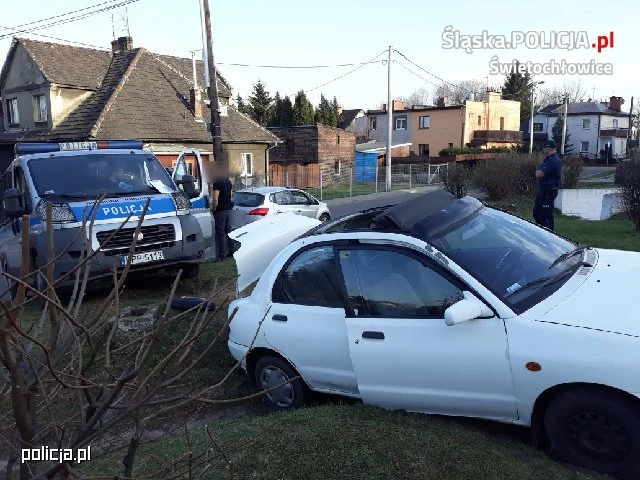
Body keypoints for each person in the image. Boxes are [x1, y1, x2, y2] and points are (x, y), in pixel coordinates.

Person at [534, 139, 562, 231]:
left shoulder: (554, 160)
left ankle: (549, 233)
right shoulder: (548, 159)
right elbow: (539, 172)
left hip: (549, 190)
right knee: (537, 213)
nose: (543, 149)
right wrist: (539, 172)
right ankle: (542, 231)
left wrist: (539, 173)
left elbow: (540, 173)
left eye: (545, 147)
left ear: (549, 148)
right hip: (543, 189)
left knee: (545, 214)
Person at [208, 162, 234, 261]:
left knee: (220, 232)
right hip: (228, 209)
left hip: (220, 210)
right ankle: (231, 251)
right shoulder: (228, 181)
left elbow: (215, 198)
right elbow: (231, 195)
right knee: (229, 231)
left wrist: (214, 208)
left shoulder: (217, 182)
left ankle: (221, 254)